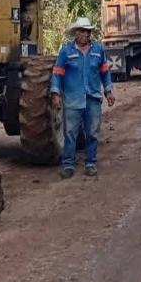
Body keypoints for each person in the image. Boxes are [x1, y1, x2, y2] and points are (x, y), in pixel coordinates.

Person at [49, 17, 115, 178]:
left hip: (92, 98)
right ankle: (68, 165)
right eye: (82, 31)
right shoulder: (66, 51)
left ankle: (91, 163)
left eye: (88, 31)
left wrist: (108, 91)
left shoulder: (98, 50)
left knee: (92, 132)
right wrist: (56, 93)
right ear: (76, 33)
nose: (86, 34)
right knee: (70, 134)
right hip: (72, 100)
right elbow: (57, 73)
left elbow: (105, 72)